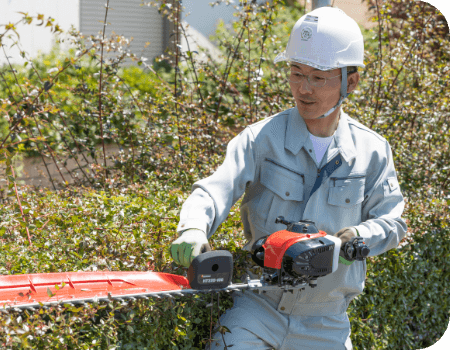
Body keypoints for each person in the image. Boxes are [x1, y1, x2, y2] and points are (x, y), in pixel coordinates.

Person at [170, 6, 407, 350]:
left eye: (318, 77)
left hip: (326, 322)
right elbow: (214, 189)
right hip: (257, 309)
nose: (303, 89)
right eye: (297, 73)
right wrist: (193, 227)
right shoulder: (260, 139)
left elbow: (393, 222)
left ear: (350, 82)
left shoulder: (372, 151)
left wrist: (352, 239)